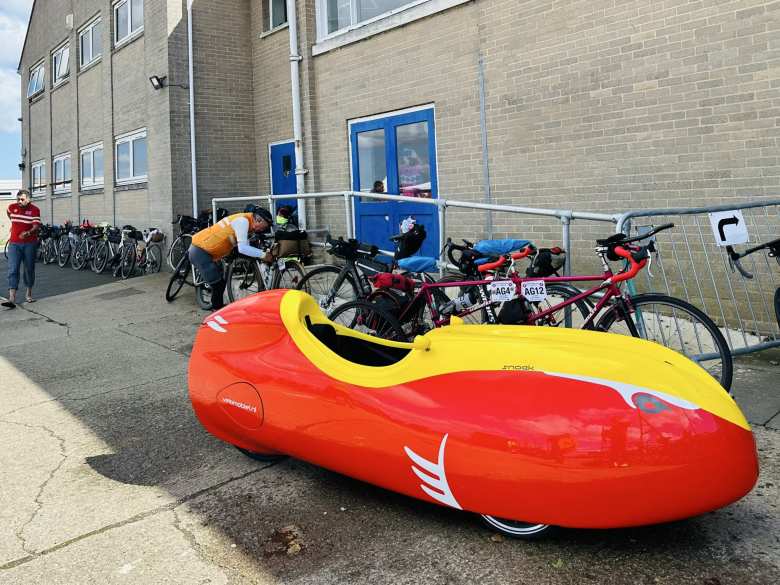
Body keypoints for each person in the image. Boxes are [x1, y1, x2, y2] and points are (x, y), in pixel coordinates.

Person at [188, 205, 272, 311]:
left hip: (209, 250)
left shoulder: (246, 220)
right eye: (263, 227)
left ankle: (217, 307)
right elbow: (243, 248)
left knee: (220, 281)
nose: (262, 230)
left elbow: (235, 237)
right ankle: (216, 312)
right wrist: (263, 255)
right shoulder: (243, 221)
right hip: (200, 250)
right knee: (218, 284)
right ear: (258, 220)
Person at [3, 189, 41, 309]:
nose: (19, 201)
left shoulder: (35, 209)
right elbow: (9, 213)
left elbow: (36, 226)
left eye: (22, 199)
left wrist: (28, 233)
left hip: (30, 244)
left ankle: (29, 293)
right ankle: (12, 298)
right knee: (13, 269)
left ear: (28, 199)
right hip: (14, 244)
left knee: (29, 269)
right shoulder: (11, 207)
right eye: (18, 199)